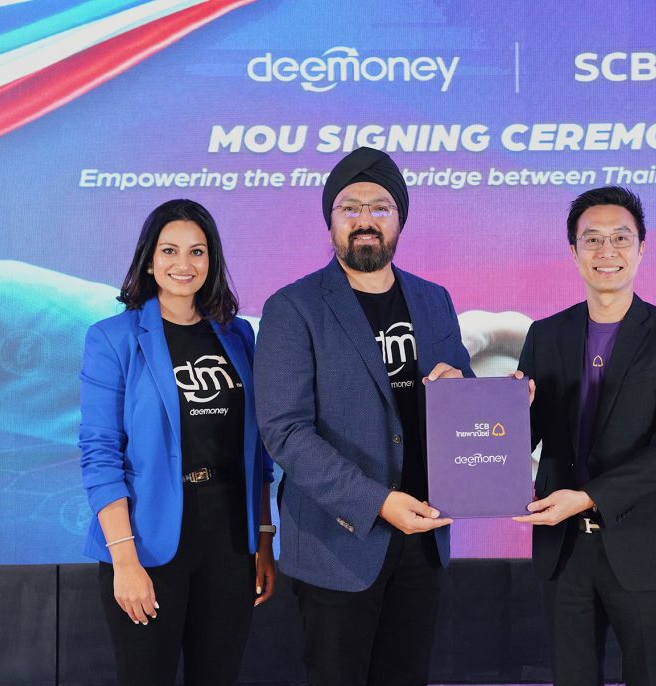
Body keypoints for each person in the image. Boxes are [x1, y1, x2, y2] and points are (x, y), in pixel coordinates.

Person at [254, 147, 473, 686]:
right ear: (330, 220)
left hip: (423, 536)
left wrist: (491, 397)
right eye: (349, 208)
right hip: (337, 543)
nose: (364, 220)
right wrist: (376, 502)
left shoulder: (434, 300)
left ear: (400, 218)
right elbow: (285, 432)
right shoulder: (293, 307)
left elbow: (462, 397)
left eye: (380, 207)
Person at [513, 186, 656, 686]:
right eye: (592, 239)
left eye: (621, 238)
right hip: (564, 551)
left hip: (647, 548)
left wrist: (587, 497)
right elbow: (524, 441)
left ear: (642, 248)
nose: (607, 251)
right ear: (574, 251)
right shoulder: (545, 335)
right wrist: (512, 413)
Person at [78, 199, 276, 685]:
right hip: (147, 540)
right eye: (169, 250)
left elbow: (258, 451)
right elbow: (100, 454)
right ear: (149, 260)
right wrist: (125, 561)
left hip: (230, 539)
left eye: (197, 251)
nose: (183, 264)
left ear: (211, 261)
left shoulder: (237, 335)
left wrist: (264, 538)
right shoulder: (113, 338)